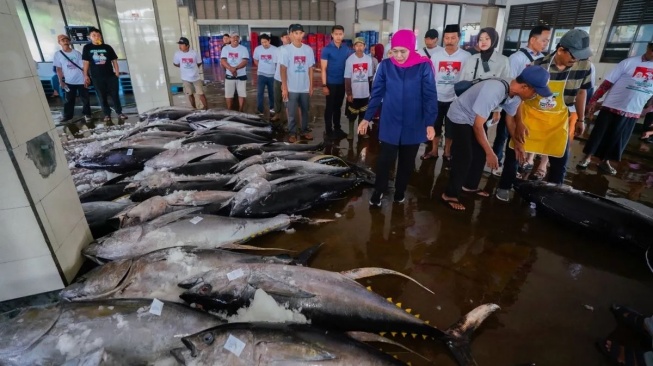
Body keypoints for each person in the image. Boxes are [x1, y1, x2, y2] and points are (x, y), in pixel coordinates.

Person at [496, 29, 593, 202]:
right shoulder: (538, 65)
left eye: (579, 56)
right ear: (561, 49)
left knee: (560, 161)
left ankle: (555, 196)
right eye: (573, 55)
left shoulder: (584, 67)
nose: (576, 59)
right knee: (514, 152)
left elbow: (581, 93)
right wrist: (519, 123)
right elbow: (521, 98)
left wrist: (581, 118)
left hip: (557, 121)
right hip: (531, 118)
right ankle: (505, 186)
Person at [442, 67, 552, 211]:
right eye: (535, 91)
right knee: (465, 156)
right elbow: (477, 126)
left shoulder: (515, 94)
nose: (534, 95)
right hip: (459, 116)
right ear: (524, 86)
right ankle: (449, 194)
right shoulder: (494, 90)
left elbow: (510, 119)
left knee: (480, 153)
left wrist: (518, 143)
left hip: (475, 118)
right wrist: (490, 152)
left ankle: (469, 186)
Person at [357, 29, 437, 206]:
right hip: (391, 119)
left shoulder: (423, 65)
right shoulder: (386, 66)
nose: (398, 56)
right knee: (385, 160)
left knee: (407, 162)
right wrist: (367, 117)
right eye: (395, 51)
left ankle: (400, 192)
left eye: (403, 51)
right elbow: (376, 94)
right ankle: (378, 191)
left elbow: (430, 96)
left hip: (414, 121)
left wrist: (430, 123)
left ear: (411, 49)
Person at [578, 42, 653, 175]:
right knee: (599, 134)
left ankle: (605, 161)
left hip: (633, 110)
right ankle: (587, 157)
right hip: (612, 106)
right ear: (648, 48)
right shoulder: (629, 62)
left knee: (618, 139)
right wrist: (593, 101)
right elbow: (607, 83)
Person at [495, 25, 551, 176]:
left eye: (548, 41)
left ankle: (520, 163)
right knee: (503, 134)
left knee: (521, 135)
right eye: (544, 40)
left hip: (528, 107)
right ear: (533, 39)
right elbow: (511, 83)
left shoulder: (542, 60)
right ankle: (497, 162)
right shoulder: (517, 58)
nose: (546, 43)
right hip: (512, 102)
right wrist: (498, 110)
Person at [428, 24, 471, 161]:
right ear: (443, 39)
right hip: (437, 96)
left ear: (458, 38)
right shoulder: (436, 56)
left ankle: (447, 152)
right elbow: (430, 76)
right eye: (447, 38)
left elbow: (467, 79)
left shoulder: (466, 56)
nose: (450, 40)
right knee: (435, 125)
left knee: (451, 128)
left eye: (453, 37)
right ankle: (434, 150)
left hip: (455, 99)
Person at [82, 28, 126, 122]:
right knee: (101, 96)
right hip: (96, 77)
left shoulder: (107, 47)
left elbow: (114, 61)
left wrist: (117, 73)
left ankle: (119, 112)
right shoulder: (87, 48)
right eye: (94, 35)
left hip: (110, 75)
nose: (96, 37)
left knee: (115, 95)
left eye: (98, 35)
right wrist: (85, 75)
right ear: (89, 37)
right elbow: (86, 63)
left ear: (100, 36)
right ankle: (107, 114)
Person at [281, 23, 315, 143]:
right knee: (291, 113)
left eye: (300, 33)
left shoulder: (308, 49)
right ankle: (292, 132)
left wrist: (311, 85)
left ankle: (304, 130)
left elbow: (310, 68)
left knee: (305, 111)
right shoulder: (286, 50)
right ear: (290, 34)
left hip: (304, 88)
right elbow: (283, 69)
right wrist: (284, 87)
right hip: (291, 88)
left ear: (303, 34)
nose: (298, 35)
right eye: (296, 33)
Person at [321, 25, 351, 140]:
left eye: (340, 34)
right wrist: (324, 85)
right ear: (332, 35)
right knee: (329, 107)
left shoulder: (346, 49)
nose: (338, 36)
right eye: (336, 34)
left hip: (341, 83)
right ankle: (328, 130)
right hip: (330, 83)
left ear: (343, 35)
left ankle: (337, 128)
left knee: (338, 107)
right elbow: (323, 69)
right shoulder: (326, 49)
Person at [53, 34, 91, 123]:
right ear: (59, 42)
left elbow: (83, 67)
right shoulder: (58, 54)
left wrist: (86, 77)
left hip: (81, 80)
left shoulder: (76, 53)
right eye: (63, 40)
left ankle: (87, 114)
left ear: (69, 41)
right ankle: (68, 116)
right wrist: (60, 81)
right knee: (69, 100)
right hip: (69, 81)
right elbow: (58, 68)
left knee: (85, 98)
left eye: (67, 40)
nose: (65, 41)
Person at [344, 37, 374, 139]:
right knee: (352, 115)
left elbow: (370, 78)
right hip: (354, 93)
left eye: (361, 45)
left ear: (365, 46)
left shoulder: (368, 59)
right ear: (354, 47)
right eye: (357, 45)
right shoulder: (350, 60)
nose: (359, 47)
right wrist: (349, 93)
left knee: (363, 114)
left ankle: (361, 132)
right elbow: (347, 78)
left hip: (364, 93)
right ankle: (351, 132)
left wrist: (370, 92)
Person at [173, 36, 208, 110]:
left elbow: (199, 63)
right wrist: (182, 66)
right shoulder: (177, 54)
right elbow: (175, 63)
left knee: (200, 93)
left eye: (182, 45)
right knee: (190, 94)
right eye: (179, 44)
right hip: (185, 78)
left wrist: (193, 69)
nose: (180, 46)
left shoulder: (194, 53)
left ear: (187, 46)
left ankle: (205, 108)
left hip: (195, 77)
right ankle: (194, 108)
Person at [220, 32, 249, 112]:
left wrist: (235, 69)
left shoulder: (243, 49)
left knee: (241, 94)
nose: (235, 39)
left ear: (239, 39)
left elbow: (245, 61)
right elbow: (223, 60)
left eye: (237, 37)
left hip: (241, 75)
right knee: (229, 95)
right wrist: (230, 69)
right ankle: (229, 110)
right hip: (229, 75)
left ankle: (241, 110)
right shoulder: (225, 49)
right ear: (230, 39)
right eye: (233, 37)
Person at [253, 34, 277, 116]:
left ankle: (272, 107)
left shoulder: (275, 50)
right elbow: (255, 59)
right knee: (260, 93)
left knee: (272, 93)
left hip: (272, 75)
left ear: (269, 41)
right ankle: (260, 110)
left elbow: (277, 62)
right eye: (262, 42)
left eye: (265, 42)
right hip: (261, 75)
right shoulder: (257, 49)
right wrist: (261, 67)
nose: (264, 44)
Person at [271, 31, 290, 124]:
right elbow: (276, 64)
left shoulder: (292, 49)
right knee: (277, 97)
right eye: (285, 37)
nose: (287, 38)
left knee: (287, 98)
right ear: (281, 38)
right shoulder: (277, 50)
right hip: (278, 77)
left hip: (289, 79)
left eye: (288, 37)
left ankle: (289, 116)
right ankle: (277, 114)